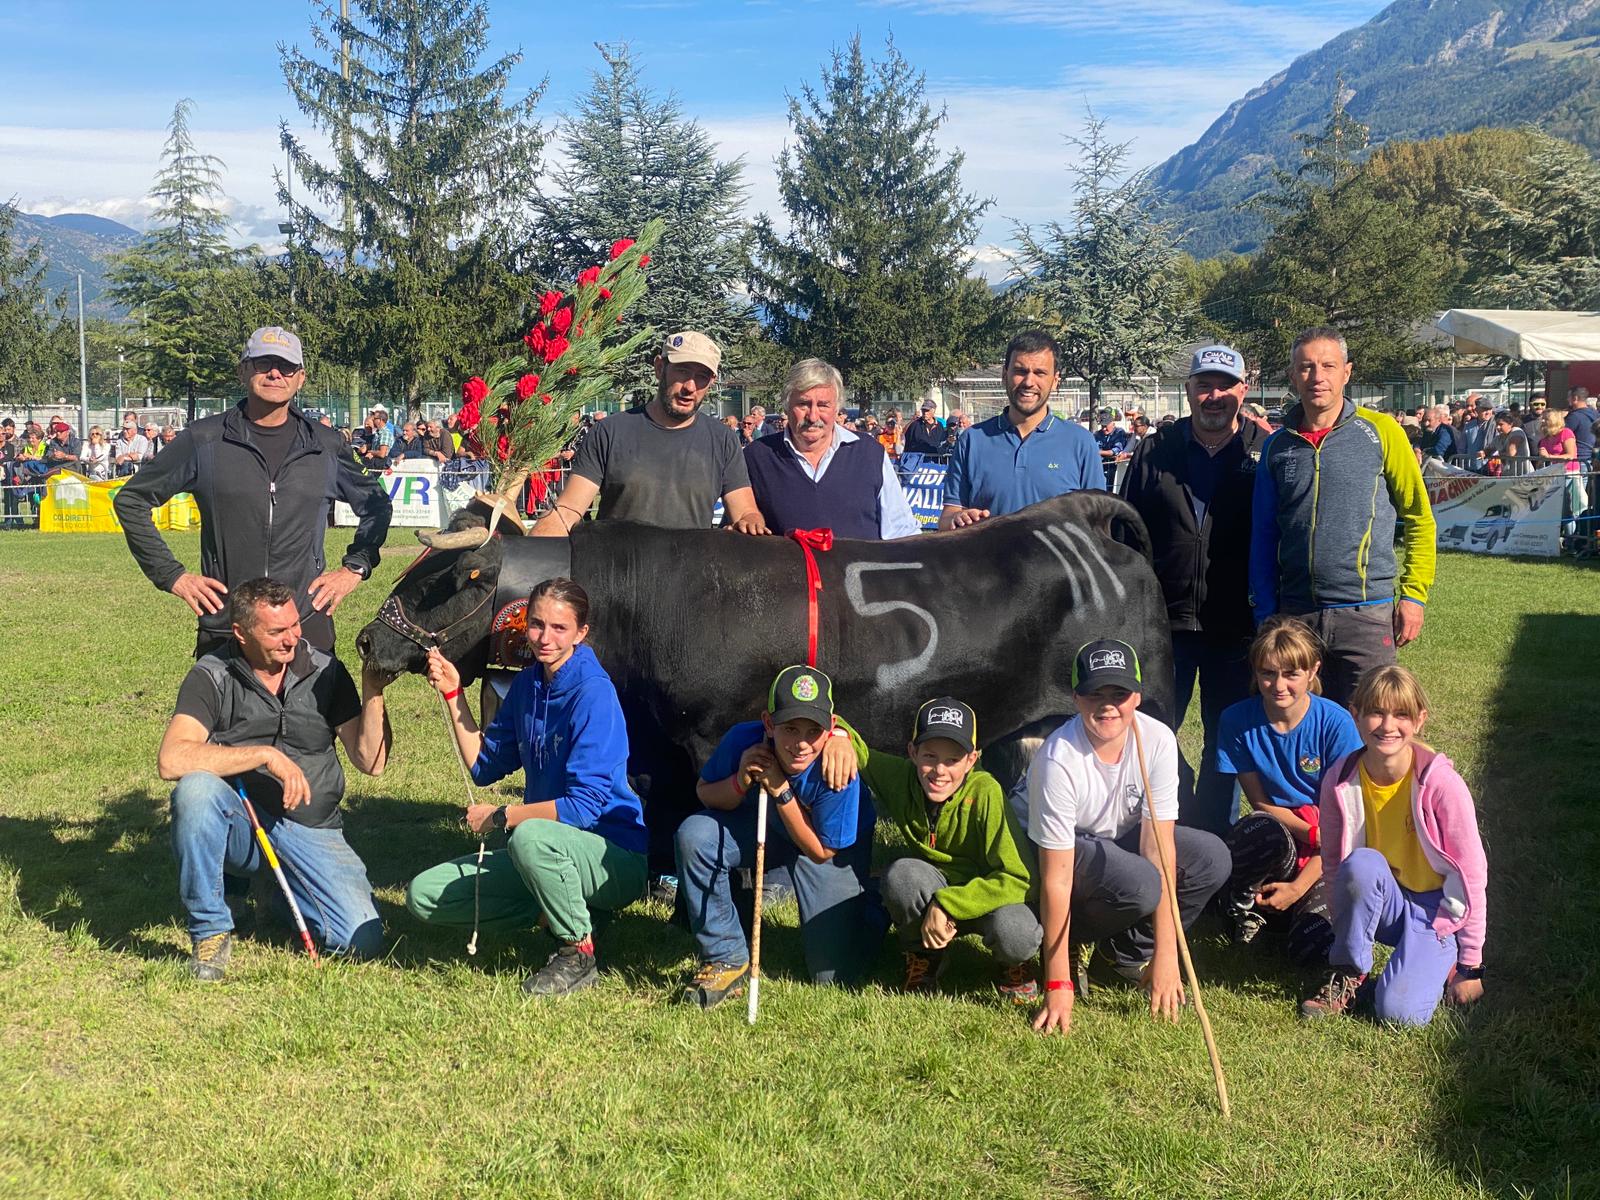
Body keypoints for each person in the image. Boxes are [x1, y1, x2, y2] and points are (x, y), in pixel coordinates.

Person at [405, 578, 649, 997]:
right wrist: (453, 693)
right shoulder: (528, 685)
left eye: (559, 628)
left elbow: (584, 808)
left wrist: (502, 816)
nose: (544, 638)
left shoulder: (594, 693)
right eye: (536, 625)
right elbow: (484, 766)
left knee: (529, 838)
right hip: (546, 852)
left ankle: (577, 952)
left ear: (581, 633)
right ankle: (563, 910)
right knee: (423, 895)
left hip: (614, 858)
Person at [157, 577, 392, 981]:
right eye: (276, 631)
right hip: (243, 824)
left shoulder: (326, 671)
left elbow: (371, 761)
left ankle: (276, 894)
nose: (292, 639)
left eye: (295, 626)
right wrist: (266, 755)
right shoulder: (213, 675)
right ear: (241, 633)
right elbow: (171, 758)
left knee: (360, 942)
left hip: (313, 827)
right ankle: (211, 931)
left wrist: (373, 690)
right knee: (194, 791)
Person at [114, 326, 392, 658]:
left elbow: (376, 505)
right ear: (243, 370)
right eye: (263, 363)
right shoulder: (204, 440)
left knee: (330, 712)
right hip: (227, 627)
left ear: (300, 378)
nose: (275, 373)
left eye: (286, 367)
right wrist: (171, 575)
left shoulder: (327, 445)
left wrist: (355, 568)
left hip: (305, 624)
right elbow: (131, 499)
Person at [1024, 640, 1231, 1034]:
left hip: (1118, 843)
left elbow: (1159, 848)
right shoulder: (1057, 759)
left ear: (1137, 695)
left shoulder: (1157, 740)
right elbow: (1056, 877)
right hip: (1061, 852)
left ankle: (1123, 956)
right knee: (1141, 881)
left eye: (1119, 693)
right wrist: (1057, 983)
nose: (1107, 706)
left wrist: (1166, 954)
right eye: (1094, 693)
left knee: (1210, 857)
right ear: (1075, 697)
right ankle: (1066, 947)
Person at [1120, 344, 1268, 837]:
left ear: (1243, 390)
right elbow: (1125, 535)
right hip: (1165, 623)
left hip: (1237, 625)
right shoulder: (1155, 450)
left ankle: (1215, 838)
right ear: (1188, 390)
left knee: (1227, 738)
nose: (1215, 395)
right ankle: (1166, 819)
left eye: (1225, 385)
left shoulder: (1265, 450)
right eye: (1204, 384)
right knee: (1153, 730)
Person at [1249, 327, 1436, 705]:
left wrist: (1414, 595)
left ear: (1346, 373)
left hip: (1365, 613)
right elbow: (1264, 535)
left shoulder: (1382, 432)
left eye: (1328, 366)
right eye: (1306, 367)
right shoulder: (1276, 446)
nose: (1317, 377)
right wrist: (1267, 611)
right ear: (1292, 376)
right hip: (1296, 613)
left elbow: (1419, 517)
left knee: (1369, 726)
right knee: (1297, 725)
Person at [675, 665, 878, 1007]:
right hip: (768, 828)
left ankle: (873, 903)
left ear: (830, 728)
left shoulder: (839, 767)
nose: (800, 743)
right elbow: (705, 793)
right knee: (696, 835)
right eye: (789, 729)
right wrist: (741, 780)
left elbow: (821, 851)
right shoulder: (744, 739)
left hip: (825, 846)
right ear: (768, 723)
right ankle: (725, 955)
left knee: (831, 978)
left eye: (813, 730)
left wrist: (780, 789)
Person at [1300, 666, 1487, 1025]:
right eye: (1376, 712)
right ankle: (1350, 974)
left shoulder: (1442, 784)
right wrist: (1346, 937)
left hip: (1437, 911)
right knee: (1360, 865)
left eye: (1401, 714)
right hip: (1386, 899)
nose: (1387, 726)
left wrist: (1471, 965)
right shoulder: (1339, 779)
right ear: (1355, 714)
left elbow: (1472, 874)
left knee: (1399, 1015)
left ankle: (1439, 959)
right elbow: (1337, 870)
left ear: (1419, 720)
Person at [835, 697, 1039, 1002]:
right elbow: (861, 750)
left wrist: (947, 905)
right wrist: (838, 735)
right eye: (930, 756)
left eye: (953, 759)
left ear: (972, 760)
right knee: (901, 876)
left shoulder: (986, 792)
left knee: (1016, 932)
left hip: (988, 901)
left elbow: (1021, 878)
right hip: (933, 887)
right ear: (912, 753)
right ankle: (926, 957)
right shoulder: (900, 778)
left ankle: (1011, 966)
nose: (939, 770)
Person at [1216, 618, 1362, 959]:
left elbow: (1346, 821)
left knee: (1309, 950)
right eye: (1268, 673)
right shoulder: (1236, 721)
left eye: (1291, 674)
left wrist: (1298, 888)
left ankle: (1290, 912)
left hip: (1333, 846)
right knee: (1256, 829)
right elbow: (1259, 802)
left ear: (1313, 671)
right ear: (1255, 670)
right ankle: (1246, 907)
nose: (1278, 685)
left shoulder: (1336, 723)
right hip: (1285, 832)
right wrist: (1310, 834)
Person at [530, 331, 765, 535]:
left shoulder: (722, 439)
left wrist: (751, 522)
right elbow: (569, 509)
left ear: (711, 381)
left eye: (701, 376)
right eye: (682, 371)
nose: (690, 387)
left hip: (691, 578)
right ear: (660, 368)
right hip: (616, 576)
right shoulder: (609, 432)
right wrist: (528, 557)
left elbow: (745, 511)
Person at [738, 358, 920, 540]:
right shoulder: (756, 457)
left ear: (837, 408)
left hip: (860, 568)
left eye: (823, 405)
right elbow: (740, 530)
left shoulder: (870, 454)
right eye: (803, 404)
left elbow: (902, 533)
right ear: (786, 405)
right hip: (784, 568)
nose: (813, 415)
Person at [940, 329, 1103, 529]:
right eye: (1020, 371)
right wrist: (957, 519)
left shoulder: (1081, 442)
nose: (1028, 382)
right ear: (1004, 375)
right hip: (987, 560)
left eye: (1040, 373)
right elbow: (948, 516)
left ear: (1055, 381)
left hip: (1055, 561)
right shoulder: (972, 440)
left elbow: (1098, 524)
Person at [1537, 408, 1585, 531]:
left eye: (1545, 418)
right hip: (1555, 476)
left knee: (1570, 510)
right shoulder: (1545, 438)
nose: (1542, 420)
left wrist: (1549, 457)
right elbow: (1541, 459)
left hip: (1570, 474)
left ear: (1554, 420)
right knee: (1559, 510)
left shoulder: (1566, 433)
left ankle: (1572, 540)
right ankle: (1565, 539)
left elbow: (1571, 455)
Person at [1566, 388, 1598, 509]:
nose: (1567, 400)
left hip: (1578, 461)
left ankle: (1576, 524)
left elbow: (1563, 435)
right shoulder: (1595, 414)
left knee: (1574, 501)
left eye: (1569, 397)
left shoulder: (1574, 417)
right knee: (1587, 497)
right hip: (1591, 459)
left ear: (1575, 399)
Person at [1487, 409, 1531, 477]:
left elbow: (1511, 453)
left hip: (1524, 476)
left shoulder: (1517, 432)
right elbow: (1489, 449)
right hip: (1508, 477)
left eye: (1501, 424)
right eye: (1496, 424)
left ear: (1510, 424)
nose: (1497, 427)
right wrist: (1483, 452)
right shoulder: (1498, 438)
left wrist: (1500, 455)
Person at [1093, 409, 1129, 488]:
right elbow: (1094, 447)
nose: (1104, 429)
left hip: (1115, 466)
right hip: (1100, 466)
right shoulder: (1097, 434)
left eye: (1106, 426)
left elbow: (1115, 451)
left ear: (1113, 424)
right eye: (1102, 426)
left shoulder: (1119, 432)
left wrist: (1097, 452)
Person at [113, 413, 148, 477]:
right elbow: (118, 459)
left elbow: (139, 456)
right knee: (126, 464)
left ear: (135, 430)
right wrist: (131, 455)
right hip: (122, 471)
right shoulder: (119, 442)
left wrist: (124, 457)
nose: (125, 431)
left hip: (138, 471)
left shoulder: (142, 439)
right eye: (124, 429)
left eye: (127, 429)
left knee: (127, 464)